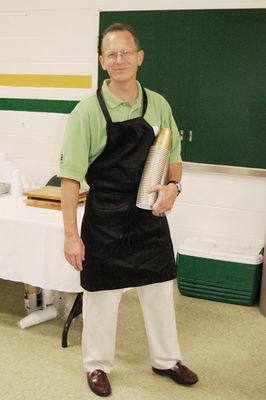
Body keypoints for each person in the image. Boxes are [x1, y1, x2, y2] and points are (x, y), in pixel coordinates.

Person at [58, 22, 198, 397]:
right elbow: (70, 179)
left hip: (148, 216)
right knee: (102, 296)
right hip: (104, 218)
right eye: (110, 54)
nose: (118, 60)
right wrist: (71, 235)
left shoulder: (159, 103)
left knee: (158, 290)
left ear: (139, 57)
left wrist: (173, 187)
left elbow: (175, 158)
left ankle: (167, 360)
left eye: (125, 52)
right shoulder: (87, 112)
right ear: (102, 62)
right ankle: (98, 366)